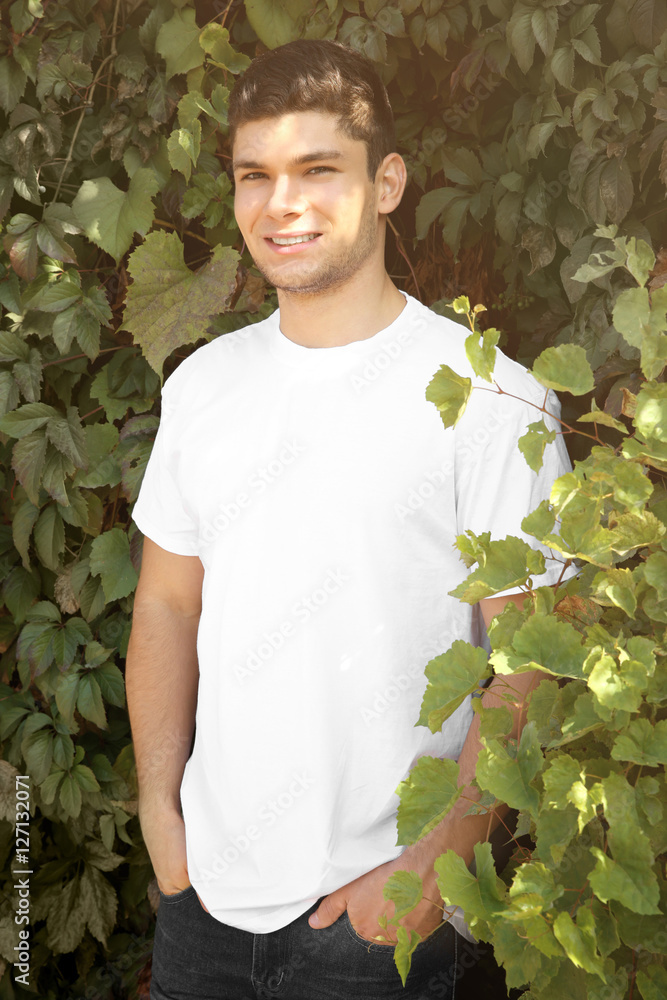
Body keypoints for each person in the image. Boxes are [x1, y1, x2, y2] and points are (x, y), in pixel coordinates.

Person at [126, 38, 574, 1000]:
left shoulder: (494, 399)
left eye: (316, 170)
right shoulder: (202, 387)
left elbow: (534, 658)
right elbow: (166, 604)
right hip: (202, 909)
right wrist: (160, 813)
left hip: (379, 936)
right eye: (255, 175)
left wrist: (432, 868)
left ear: (387, 183)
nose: (280, 203)